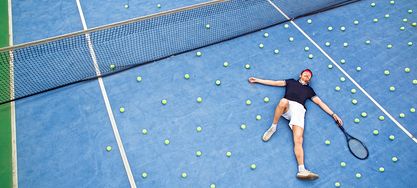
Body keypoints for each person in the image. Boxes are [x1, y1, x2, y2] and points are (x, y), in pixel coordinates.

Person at [248, 69, 343, 180]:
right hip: (287, 106)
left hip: (299, 111)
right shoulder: (291, 81)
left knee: (298, 140)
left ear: (309, 79)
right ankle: (273, 127)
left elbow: (320, 103)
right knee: (283, 101)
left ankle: (302, 170)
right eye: (306, 73)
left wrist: (333, 114)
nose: (307, 75)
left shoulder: (309, 90)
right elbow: (275, 82)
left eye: (309, 75)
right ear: (300, 75)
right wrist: (258, 80)